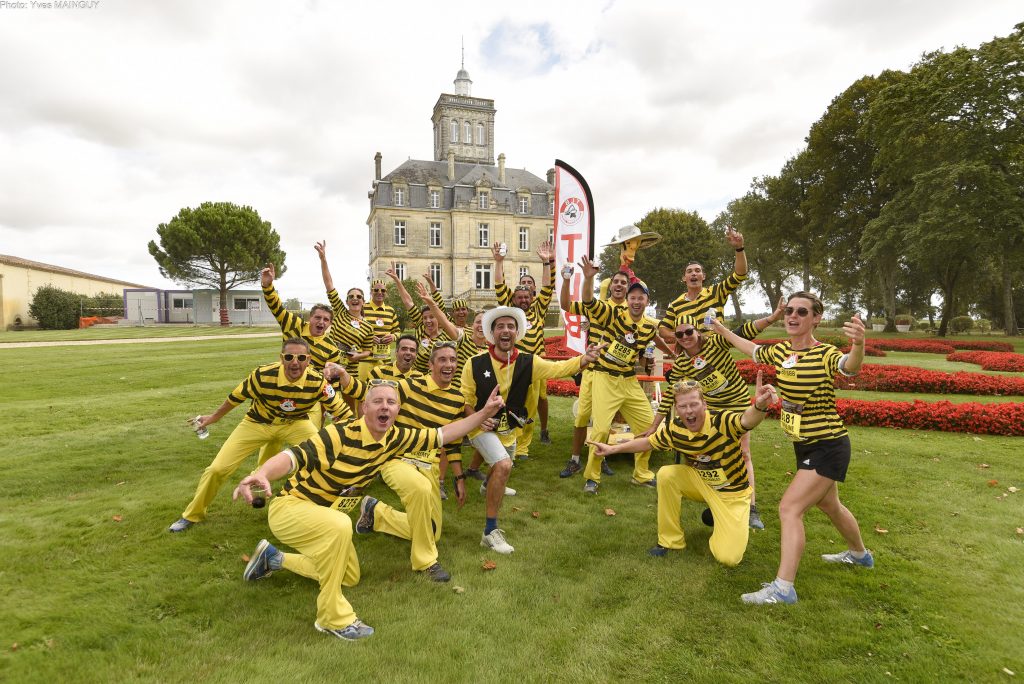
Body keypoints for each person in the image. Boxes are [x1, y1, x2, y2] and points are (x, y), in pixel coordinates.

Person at [233, 382, 505, 641]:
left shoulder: (395, 438)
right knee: (340, 525)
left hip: (327, 514)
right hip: (290, 508)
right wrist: (263, 473)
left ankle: (273, 558)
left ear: (398, 410)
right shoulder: (339, 434)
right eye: (377, 401)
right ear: (365, 408)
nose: (384, 407)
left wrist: (484, 413)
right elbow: (293, 457)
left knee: (349, 576)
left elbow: (444, 434)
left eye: (391, 402)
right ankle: (332, 618)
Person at [711, 292, 871, 605]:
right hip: (805, 445)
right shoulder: (783, 351)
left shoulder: (823, 353)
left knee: (789, 509)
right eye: (789, 311)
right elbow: (752, 350)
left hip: (828, 445)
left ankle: (783, 589)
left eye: (801, 312)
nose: (792, 317)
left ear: (816, 318)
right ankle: (860, 555)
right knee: (830, 506)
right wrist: (721, 330)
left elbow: (849, 366)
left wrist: (859, 345)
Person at [589, 372, 777, 566]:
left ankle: (724, 518)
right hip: (702, 483)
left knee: (729, 558)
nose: (689, 411)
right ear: (676, 409)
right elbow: (648, 443)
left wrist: (760, 405)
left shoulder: (722, 421)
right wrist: (613, 449)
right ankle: (671, 541)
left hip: (732, 494)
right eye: (682, 406)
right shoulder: (675, 429)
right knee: (667, 474)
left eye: (694, 404)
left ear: (704, 405)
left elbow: (747, 421)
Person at [168, 338, 351, 532]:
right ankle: (192, 515)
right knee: (217, 469)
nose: (295, 362)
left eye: (301, 357)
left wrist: (357, 431)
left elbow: (341, 409)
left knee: (323, 455)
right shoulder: (262, 375)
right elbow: (235, 397)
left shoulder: (318, 382)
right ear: (281, 358)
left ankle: (322, 507)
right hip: (257, 423)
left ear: (309, 359)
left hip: (295, 423)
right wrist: (213, 418)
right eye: (289, 357)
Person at [461, 306, 601, 553]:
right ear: (492, 333)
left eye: (510, 326)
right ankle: (489, 531)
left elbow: (558, 369)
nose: (506, 330)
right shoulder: (473, 364)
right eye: (500, 326)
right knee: (503, 465)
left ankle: (487, 486)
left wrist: (584, 359)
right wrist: (476, 418)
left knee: (503, 464)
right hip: (479, 427)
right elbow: (465, 400)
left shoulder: (529, 361)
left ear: (517, 332)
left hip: (510, 427)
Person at [327, 342, 469, 582]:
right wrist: (344, 376)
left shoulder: (456, 399)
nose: (449, 365)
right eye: (442, 360)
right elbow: (370, 394)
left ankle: (377, 513)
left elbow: (452, 442)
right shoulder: (409, 386)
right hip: (396, 457)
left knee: (432, 532)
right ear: (431, 364)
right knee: (419, 489)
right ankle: (426, 562)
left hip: (430, 465)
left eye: (453, 360)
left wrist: (459, 477)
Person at [641, 300, 785, 529]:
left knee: (743, 453)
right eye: (680, 334)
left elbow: (746, 331)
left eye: (689, 331)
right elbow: (670, 395)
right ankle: (719, 496)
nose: (685, 337)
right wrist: (654, 425)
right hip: (713, 410)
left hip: (736, 404)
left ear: (698, 332)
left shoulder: (716, 343)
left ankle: (751, 509)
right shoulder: (682, 364)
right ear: (676, 338)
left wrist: (772, 318)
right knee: (710, 455)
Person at [563, 256, 658, 494]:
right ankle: (592, 477)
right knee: (601, 429)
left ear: (647, 301)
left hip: (628, 381)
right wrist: (588, 277)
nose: (636, 301)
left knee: (649, 426)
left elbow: (665, 336)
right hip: (603, 376)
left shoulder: (650, 324)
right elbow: (586, 300)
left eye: (640, 297)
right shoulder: (612, 313)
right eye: (632, 297)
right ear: (627, 300)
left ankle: (641, 474)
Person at [558, 268, 630, 479]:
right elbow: (565, 305)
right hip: (591, 369)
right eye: (615, 281)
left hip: (610, 373)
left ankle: (601, 458)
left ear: (627, 287)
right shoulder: (596, 307)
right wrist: (565, 279)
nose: (618, 285)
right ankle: (575, 460)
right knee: (581, 416)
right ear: (610, 286)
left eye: (623, 283)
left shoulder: (632, 311)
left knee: (602, 420)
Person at [261, 261, 344, 427]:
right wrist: (268, 286)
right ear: (310, 318)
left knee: (311, 439)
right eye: (317, 317)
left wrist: (334, 407)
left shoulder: (332, 349)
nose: (321, 322)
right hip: (281, 389)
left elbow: (334, 382)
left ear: (330, 324)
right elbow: (276, 307)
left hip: (309, 396)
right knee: (272, 437)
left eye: (326, 319)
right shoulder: (294, 324)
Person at [493, 240, 555, 453]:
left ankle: (523, 447)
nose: (523, 300)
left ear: (532, 297)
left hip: (534, 365)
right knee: (510, 404)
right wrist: (498, 261)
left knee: (530, 407)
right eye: (519, 297)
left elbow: (547, 287)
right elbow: (499, 285)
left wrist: (546, 263)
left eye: (527, 297)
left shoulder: (538, 310)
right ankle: (509, 440)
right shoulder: (509, 311)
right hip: (512, 364)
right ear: (513, 298)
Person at [658, 226, 748, 348]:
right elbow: (662, 330)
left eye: (697, 270)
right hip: (690, 358)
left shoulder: (716, 293)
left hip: (716, 354)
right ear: (684, 278)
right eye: (689, 271)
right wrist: (683, 336)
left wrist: (739, 248)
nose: (693, 273)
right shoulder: (675, 305)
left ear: (703, 276)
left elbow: (740, 274)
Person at [596, 224, 660, 301]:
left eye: (636, 246)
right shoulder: (606, 284)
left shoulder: (641, 284)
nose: (632, 250)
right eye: (628, 244)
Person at [359, 277, 402, 380]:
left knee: (382, 389)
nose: (379, 292)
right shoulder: (362, 308)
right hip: (365, 358)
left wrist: (393, 336)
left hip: (384, 358)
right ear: (371, 292)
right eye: (376, 290)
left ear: (386, 292)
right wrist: (368, 337)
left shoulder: (390, 311)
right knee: (362, 389)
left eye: (383, 290)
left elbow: (397, 331)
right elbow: (355, 330)